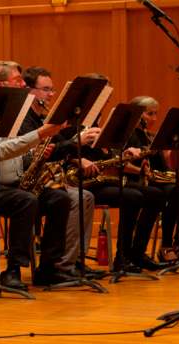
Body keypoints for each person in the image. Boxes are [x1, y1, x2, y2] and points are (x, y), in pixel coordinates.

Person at [0, 61, 73, 288]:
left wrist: (37, 152)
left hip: (12, 184)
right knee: (25, 201)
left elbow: (16, 150)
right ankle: (12, 270)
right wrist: (41, 133)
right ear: (2, 84)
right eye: (18, 80)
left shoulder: (14, 113)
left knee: (60, 198)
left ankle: (49, 268)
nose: (24, 84)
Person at [67, 74, 167, 273]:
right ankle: (122, 256)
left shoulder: (99, 116)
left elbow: (104, 149)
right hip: (82, 179)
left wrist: (123, 155)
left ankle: (136, 253)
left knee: (156, 195)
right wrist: (78, 159)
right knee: (133, 196)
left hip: (101, 177)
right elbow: (62, 146)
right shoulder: (74, 113)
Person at [19, 66, 102, 277]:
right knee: (71, 197)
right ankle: (54, 266)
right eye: (46, 89)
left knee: (85, 197)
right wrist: (76, 142)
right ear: (30, 92)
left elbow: (56, 147)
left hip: (44, 181)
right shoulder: (24, 121)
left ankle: (71, 262)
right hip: (26, 182)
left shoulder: (42, 119)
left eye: (52, 89)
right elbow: (39, 155)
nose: (51, 95)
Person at [126, 95, 179, 263]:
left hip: (158, 179)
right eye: (150, 114)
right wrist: (143, 171)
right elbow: (124, 165)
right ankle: (164, 246)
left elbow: (163, 167)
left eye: (156, 114)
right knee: (173, 192)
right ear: (137, 114)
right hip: (138, 181)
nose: (155, 119)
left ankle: (176, 246)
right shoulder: (129, 135)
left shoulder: (151, 136)